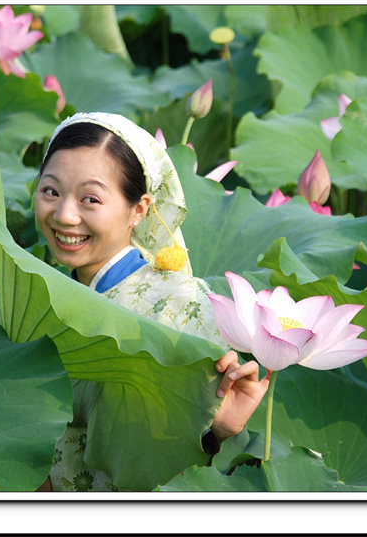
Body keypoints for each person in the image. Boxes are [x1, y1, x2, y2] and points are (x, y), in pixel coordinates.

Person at [33, 112, 269, 491]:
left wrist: (220, 433)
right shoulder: (36, 293)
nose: (64, 215)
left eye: (90, 198)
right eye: (51, 191)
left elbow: (191, 456)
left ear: (139, 209)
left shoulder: (184, 305)